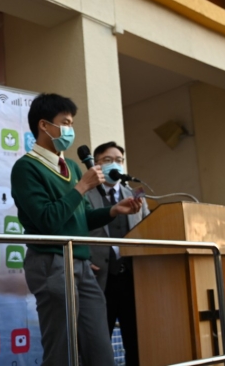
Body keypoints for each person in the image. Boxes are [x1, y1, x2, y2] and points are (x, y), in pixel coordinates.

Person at [10, 93, 142, 366]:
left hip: (81, 262)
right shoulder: (26, 168)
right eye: (65, 123)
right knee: (62, 349)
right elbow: (48, 220)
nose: (70, 130)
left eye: (71, 123)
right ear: (44, 125)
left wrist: (113, 211)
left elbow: (79, 219)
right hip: (51, 261)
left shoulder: (70, 166)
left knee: (100, 348)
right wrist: (82, 187)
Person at [87, 141, 150, 366]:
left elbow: (148, 227)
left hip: (132, 277)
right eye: (108, 160)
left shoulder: (136, 194)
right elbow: (75, 228)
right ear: (96, 164)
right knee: (98, 340)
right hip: (98, 277)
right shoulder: (85, 194)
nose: (115, 164)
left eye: (119, 160)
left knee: (136, 340)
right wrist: (82, 259)